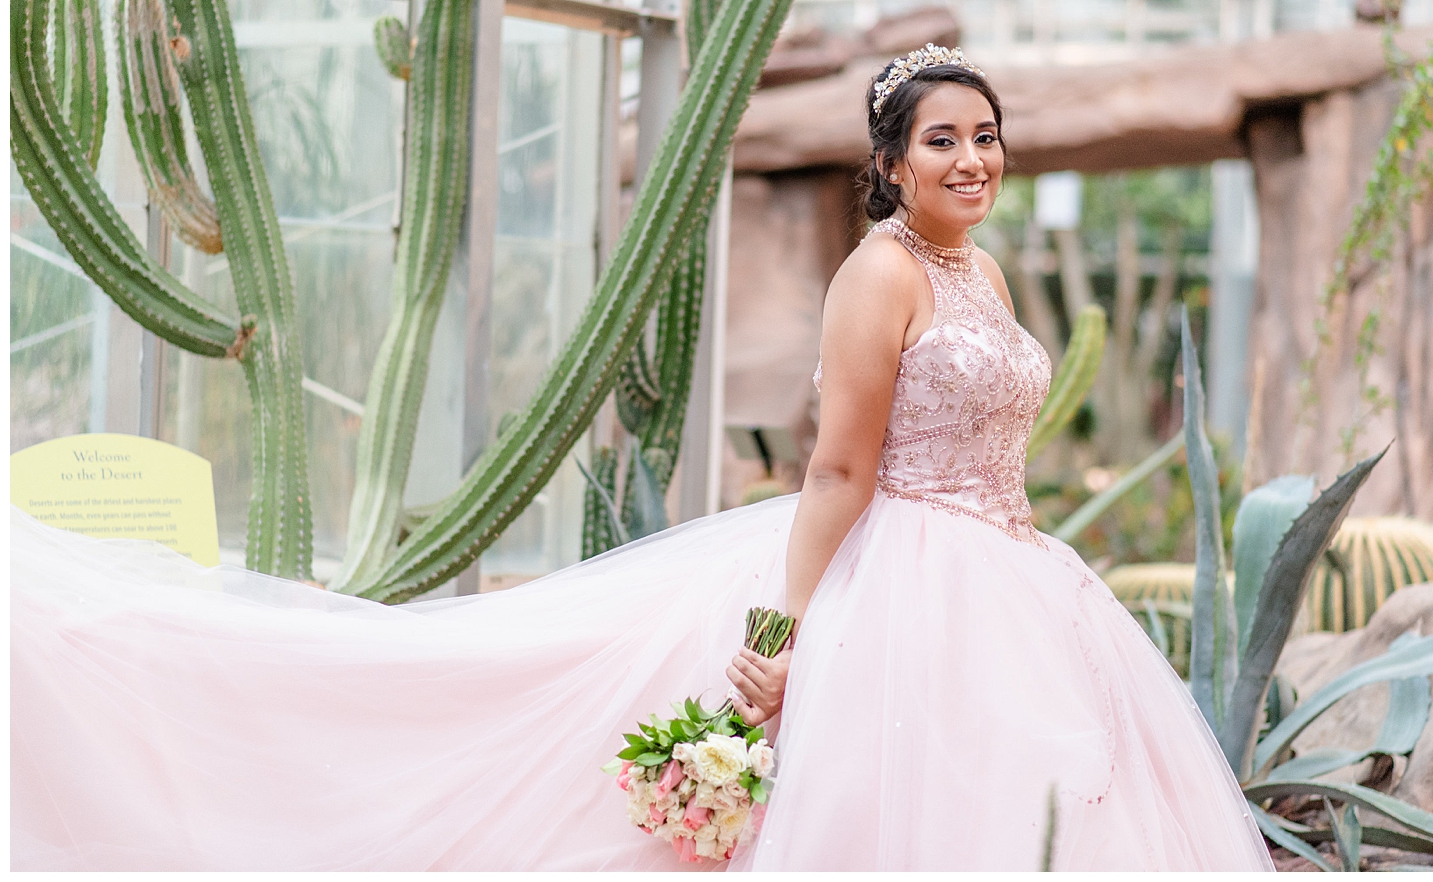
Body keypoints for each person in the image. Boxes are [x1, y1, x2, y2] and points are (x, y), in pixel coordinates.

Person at [11, 46, 1273, 872]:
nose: (973, 160)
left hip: (1010, 572)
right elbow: (837, 473)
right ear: (888, 163)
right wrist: (780, 644)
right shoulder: (878, 275)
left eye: (988, 137)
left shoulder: (978, 268)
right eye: (942, 140)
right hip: (898, 580)